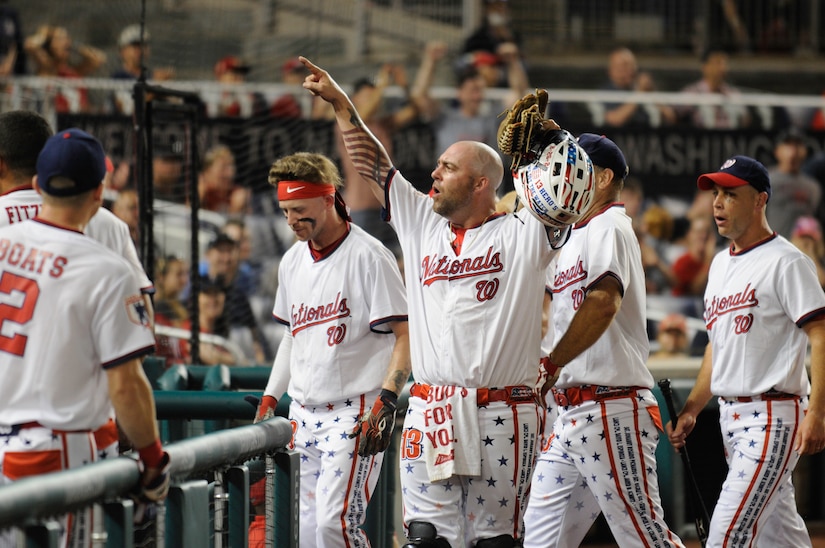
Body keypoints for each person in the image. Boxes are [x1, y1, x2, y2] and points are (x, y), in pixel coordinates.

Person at [301, 57, 588, 547]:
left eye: (448, 167)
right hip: (432, 407)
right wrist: (341, 104)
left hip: (504, 412)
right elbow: (373, 164)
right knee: (426, 538)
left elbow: (570, 196)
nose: (433, 172)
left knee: (496, 542)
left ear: (481, 183)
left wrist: (556, 144)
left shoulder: (526, 231)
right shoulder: (421, 222)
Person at [0, 128, 168, 546]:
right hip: (56, 451)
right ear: (98, 192)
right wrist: (152, 460)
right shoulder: (107, 269)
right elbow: (126, 385)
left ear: (38, 184)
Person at [524, 133, 684, 547]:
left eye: (577, 168)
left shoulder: (609, 226)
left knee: (645, 538)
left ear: (602, 177)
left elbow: (602, 302)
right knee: (538, 538)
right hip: (571, 414)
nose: (566, 176)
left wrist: (553, 361)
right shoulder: (573, 234)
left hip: (611, 408)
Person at [667, 154, 825, 546]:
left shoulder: (787, 262)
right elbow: (715, 348)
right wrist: (692, 408)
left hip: (773, 414)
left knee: (727, 533)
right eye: (716, 193)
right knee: (781, 534)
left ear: (760, 200)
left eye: (730, 194)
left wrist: (819, 412)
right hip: (730, 416)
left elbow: (821, 337)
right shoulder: (720, 265)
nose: (718, 203)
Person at [254, 151, 410, 546]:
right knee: (303, 531)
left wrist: (386, 400)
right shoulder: (291, 261)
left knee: (333, 526)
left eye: (299, 209)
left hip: (353, 411)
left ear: (328, 199)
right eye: (285, 211)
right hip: (302, 414)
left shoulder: (370, 256)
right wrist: (271, 397)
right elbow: (293, 335)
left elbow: (406, 335)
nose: (290, 221)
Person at [23, 25, 106, 113]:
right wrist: (43, 35)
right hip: (56, 119)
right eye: (59, 39)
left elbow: (99, 58)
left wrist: (74, 47)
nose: (64, 42)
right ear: (50, 45)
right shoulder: (47, 68)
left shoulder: (75, 70)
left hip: (78, 119)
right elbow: (29, 45)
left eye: (66, 38)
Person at [766, 126, 821, 240]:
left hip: (802, 251)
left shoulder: (813, 187)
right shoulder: (766, 179)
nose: (793, 150)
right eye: (788, 144)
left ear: (804, 151)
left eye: (798, 145)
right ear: (777, 150)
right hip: (773, 248)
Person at [599, 46, 676, 128]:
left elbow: (671, 118)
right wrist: (639, 93)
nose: (629, 70)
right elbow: (615, 120)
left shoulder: (642, 89)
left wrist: (651, 93)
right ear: (611, 70)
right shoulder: (606, 92)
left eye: (632, 66)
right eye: (624, 66)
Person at [677, 47, 750, 129]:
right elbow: (674, 115)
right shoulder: (692, 93)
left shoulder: (733, 94)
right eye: (717, 63)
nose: (722, 68)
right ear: (705, 66)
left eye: (724, 63)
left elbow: (745, 119)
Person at [110, 24, 175, 115]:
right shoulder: (119, 77)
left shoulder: (152, 75)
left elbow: (174, 104)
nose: (140, 50)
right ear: (122, 51)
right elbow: (128, 110)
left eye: (144, 45)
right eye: (135, 46)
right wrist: (156, 87)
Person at [670, 214, 716, 297]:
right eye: (699, 231)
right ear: (689, 234)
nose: (703, 236)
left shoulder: (718, 260)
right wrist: (708, 262)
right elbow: (694, 291)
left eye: (707, 232)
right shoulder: (683, 262)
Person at [197, 144, 249, 215]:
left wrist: (236, 209)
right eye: (223, 168)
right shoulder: (201, 190)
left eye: (231, 168)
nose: (229, 174)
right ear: (207, 171)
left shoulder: (236, 194)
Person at [790, 215, 825, 289]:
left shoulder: (821, 261)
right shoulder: (785, 258)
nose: (805, 242)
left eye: (810, 238)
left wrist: (811, 256)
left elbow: (821, 282)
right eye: (802, 237)